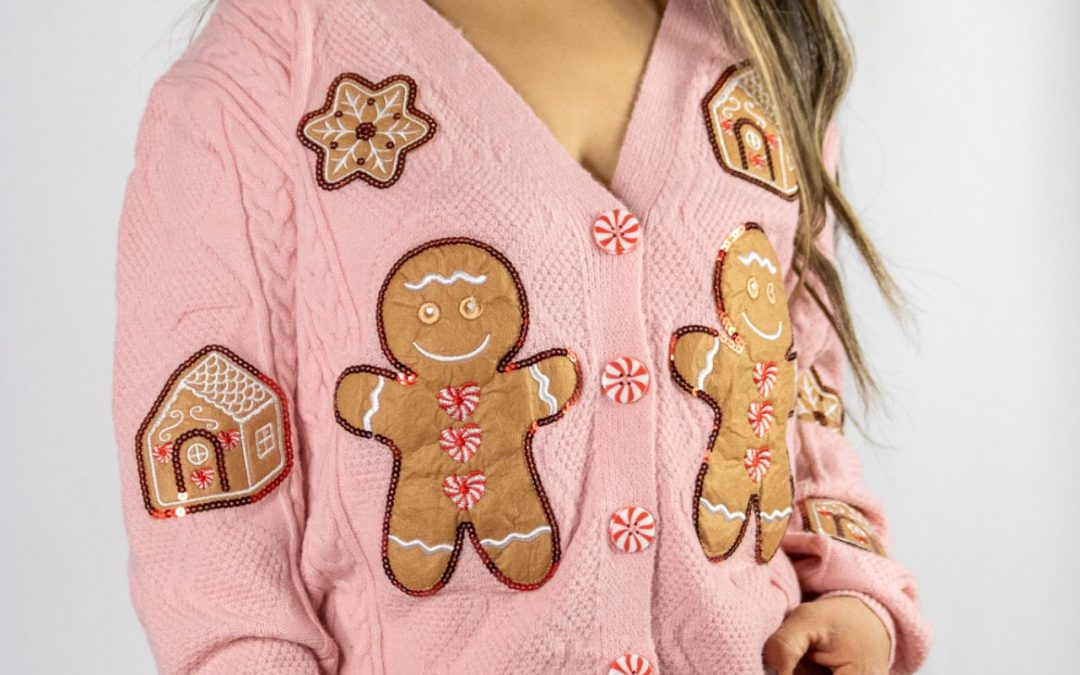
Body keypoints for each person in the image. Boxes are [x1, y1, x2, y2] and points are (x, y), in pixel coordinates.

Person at [113, 0, 931, 672]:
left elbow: (800, 387)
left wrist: (855, 596)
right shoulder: (277, 66)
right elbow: (210, 500)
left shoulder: (751, 49)